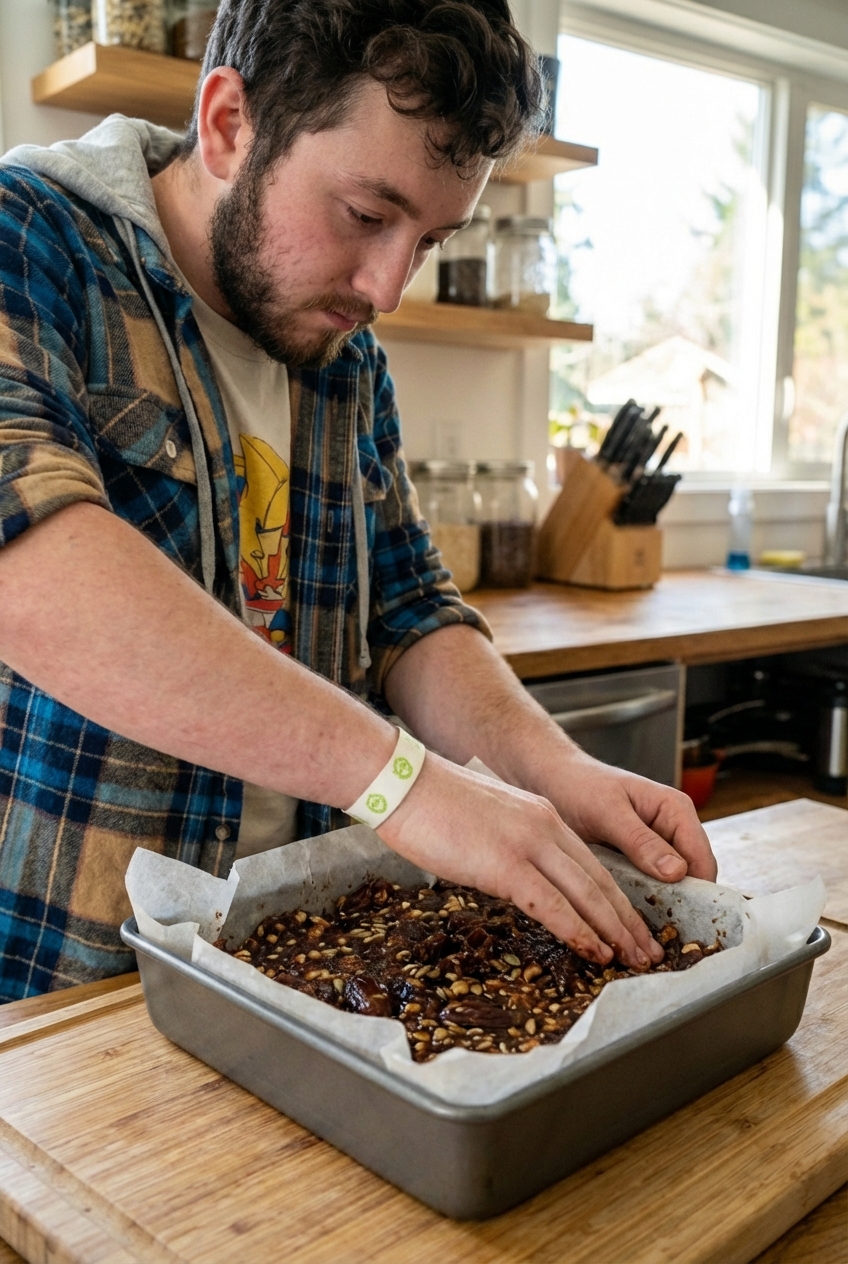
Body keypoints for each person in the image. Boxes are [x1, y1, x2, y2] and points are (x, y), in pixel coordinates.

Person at [0, 0, 715, 1002]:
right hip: (69, 983)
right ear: (227, 123)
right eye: (367, 216)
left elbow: (411, 613)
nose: (386, 288)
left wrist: (554, 771)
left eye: (426, 240)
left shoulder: (342, 354)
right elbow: (26, 568)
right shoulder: (29, 237)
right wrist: (404, 783)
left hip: (289, 968)